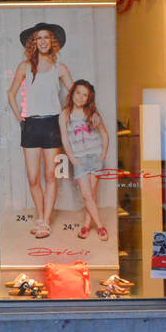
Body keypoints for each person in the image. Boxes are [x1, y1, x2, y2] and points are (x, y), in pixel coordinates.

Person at [6, 22, 74, 239]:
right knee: (34, 178)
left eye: (47, 38)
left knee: (50, 177)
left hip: (52, 125)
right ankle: (41, 218)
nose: (43, 42)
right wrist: (21, 119)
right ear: (33, 43)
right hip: (31, 125)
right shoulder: (24, 66)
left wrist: (63, 116)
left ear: (52, 42)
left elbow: (76, 96)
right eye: (39, 38)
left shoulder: (60, 68)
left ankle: (44, 222)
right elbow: (11, 94)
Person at [58, 79, 109, 241]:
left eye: (85, 95)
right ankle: (101, 226)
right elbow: (65, 140)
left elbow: (105, 135)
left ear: (89, 98)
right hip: (79, 159)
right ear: (72, 93)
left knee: (91, 195)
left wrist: (102, 156)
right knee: (87, 195)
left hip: (95, 158)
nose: (80, 97)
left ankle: (86, 227)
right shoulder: (65, 115)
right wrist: (73, 160)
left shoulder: (92, 114)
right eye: (78, 93)